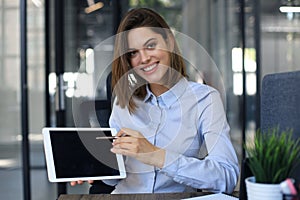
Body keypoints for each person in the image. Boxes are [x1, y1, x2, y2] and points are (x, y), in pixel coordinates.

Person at [72, 7, 239, 194]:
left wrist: (154, 155)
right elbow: (116, 173)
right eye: (133, 53)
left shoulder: (205, 100)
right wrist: (97, 170)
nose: (144, 58)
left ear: (169, 42)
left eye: (151, 45)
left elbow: (227, 177)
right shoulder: (123, 100)